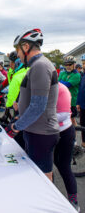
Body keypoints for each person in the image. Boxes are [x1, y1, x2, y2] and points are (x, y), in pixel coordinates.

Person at [6, 28, 59, 181]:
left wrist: (17, 126)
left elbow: (38, 106)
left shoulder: (40, 66)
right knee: (39, 175)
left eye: (18, 50)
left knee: (42, 177)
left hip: (41, 132)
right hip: (36, 129)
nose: (18, 55)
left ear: (26, 47)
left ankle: (50, 205)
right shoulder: (35, 66)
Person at [54, 83, 79, 212]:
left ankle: (74, 202)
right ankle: (51, 199)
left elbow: (63, 114)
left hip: (64, 131)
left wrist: (41, 116)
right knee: (48, 167)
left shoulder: (62, 89)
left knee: (64, 166)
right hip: (48, 132)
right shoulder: (38, 86)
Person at [58, 56, 81, 126]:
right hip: (62, 100)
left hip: (72, 101)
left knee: (71, 120)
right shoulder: (62, 73)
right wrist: (62, 82)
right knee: (71, 119)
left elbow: (66, 85)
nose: (68, 66)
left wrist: (62, 82)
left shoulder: (77, 75)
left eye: (70, 64)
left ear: (74, 64)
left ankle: (72, 135)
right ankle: (73, 134)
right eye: (66, 64)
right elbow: (58, 83)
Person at [77, 54, 85, 148]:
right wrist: (78, 103)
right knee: (83, 124)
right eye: (83, 63)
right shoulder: (83, 76)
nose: (83, 65)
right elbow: (80, 90)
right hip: (82, 105)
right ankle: (83, 142)